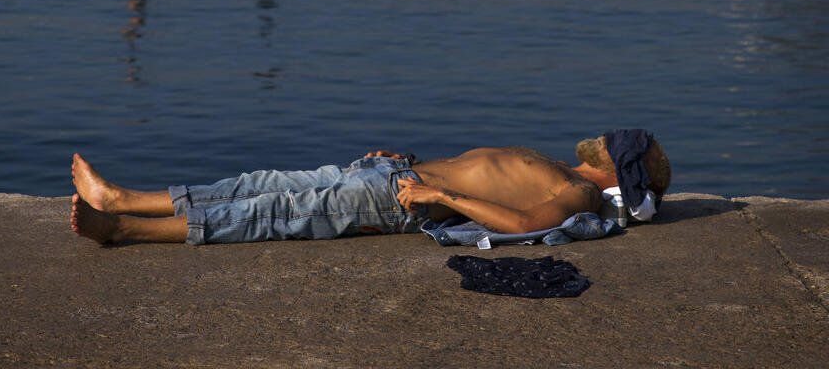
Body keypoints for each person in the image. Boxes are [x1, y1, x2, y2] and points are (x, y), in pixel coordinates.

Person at [69, 130, 671, 245]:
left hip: (399, 199)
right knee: (258, 182)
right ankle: (122, 198)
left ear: (617, 170)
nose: (600, 137)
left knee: (273, 211)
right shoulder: (563, 169)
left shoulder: (585, 196)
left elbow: (523, 225)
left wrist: (443, 200)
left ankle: (122, 229)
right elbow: (480, 168)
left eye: (612, 145)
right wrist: (409, 161)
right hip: (390, 174)